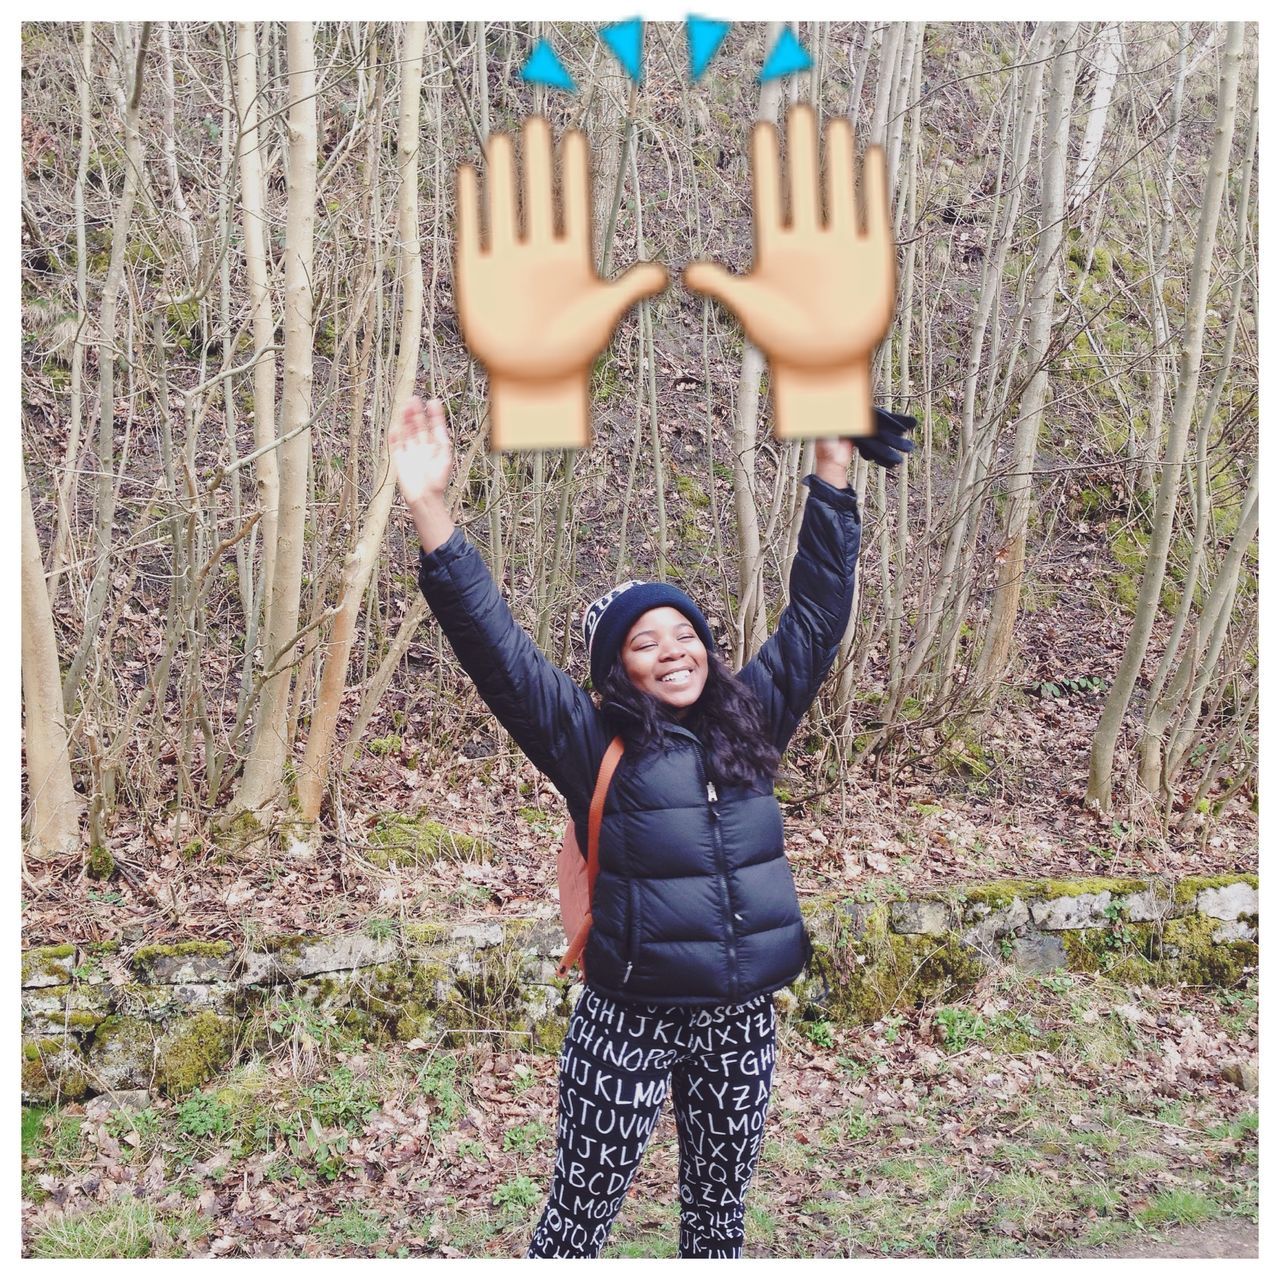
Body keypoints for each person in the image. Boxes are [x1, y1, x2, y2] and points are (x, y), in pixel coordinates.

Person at [388, 393, 894, 1259]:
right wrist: (430, 510)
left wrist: (834, 472)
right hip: (630, 1017)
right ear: (615, 669)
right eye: (644, 641)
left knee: (718, 1224)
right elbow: (496, 648)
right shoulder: (588, 741)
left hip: (740, 1018)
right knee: (576, 1222)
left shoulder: (754, 717)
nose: (671, 649)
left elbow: (815, 617)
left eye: (683, 632)